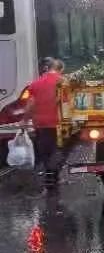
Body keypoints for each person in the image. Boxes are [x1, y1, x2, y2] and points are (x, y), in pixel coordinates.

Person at [24, 58, 65, 191]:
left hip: (40, 124)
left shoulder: (36, 83)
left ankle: (49, 174)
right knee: (57, 149)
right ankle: (53, 175)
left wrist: (24, 120)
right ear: (60, 69)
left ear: (47, 68)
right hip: (59, 123)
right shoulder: (63, 82)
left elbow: (30, 104)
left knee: (45, 150)